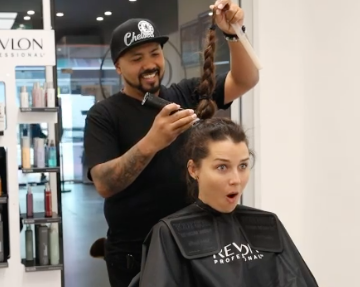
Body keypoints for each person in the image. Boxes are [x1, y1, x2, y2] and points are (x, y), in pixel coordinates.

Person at [83, 0, 259, 286]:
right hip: (134, 253)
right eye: (136, 58)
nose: (149, 64)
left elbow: (246, 79)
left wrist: (233, 33)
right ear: (118, 67)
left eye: (154, 53)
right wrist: (152, 142)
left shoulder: (187, 94)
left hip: (194, 243)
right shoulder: (104, 115)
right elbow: (104, 183)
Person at [127, 116, 318, 286]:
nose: (236, 179)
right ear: (194, 170)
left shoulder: (267, 224)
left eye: (243, 165)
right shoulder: (170, 233)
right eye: (222, 167)